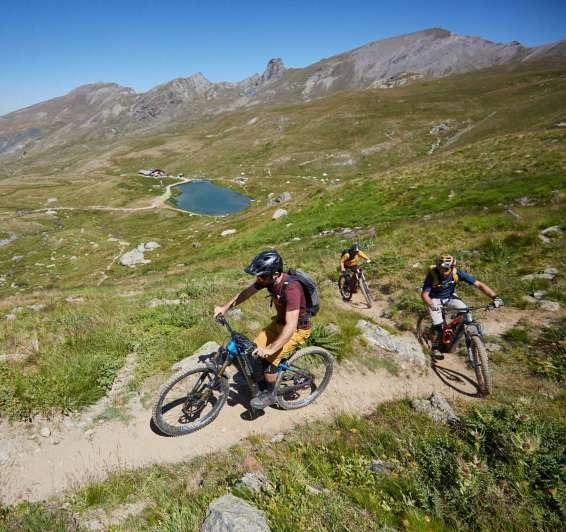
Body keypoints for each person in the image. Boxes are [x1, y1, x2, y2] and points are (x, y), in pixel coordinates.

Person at [214, 250, 312, 409]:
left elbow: (291, 325)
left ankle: (271, 394)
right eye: (258, 276)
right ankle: (263, 380)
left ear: (276, 274)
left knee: (269, 362)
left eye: (262, 276)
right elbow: (246, 293)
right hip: (279, 324)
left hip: (297, 330)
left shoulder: (292, 288)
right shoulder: (268, 280)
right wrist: (224, 308)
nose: (259, 279)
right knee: (253, 350)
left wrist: (270, 349)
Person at [421, 254, 504, 359]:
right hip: (434, 299)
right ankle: (435, 346)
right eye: (440, 268)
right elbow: (425, 294)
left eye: (446, 269)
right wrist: (432, 305)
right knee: (438, 324)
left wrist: (495, 297)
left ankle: (456, 333)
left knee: (466, 312)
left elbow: (479, 285)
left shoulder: (458, 273)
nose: (443, 272)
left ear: (452, 267)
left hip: (450, 297)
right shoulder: (432, 275)